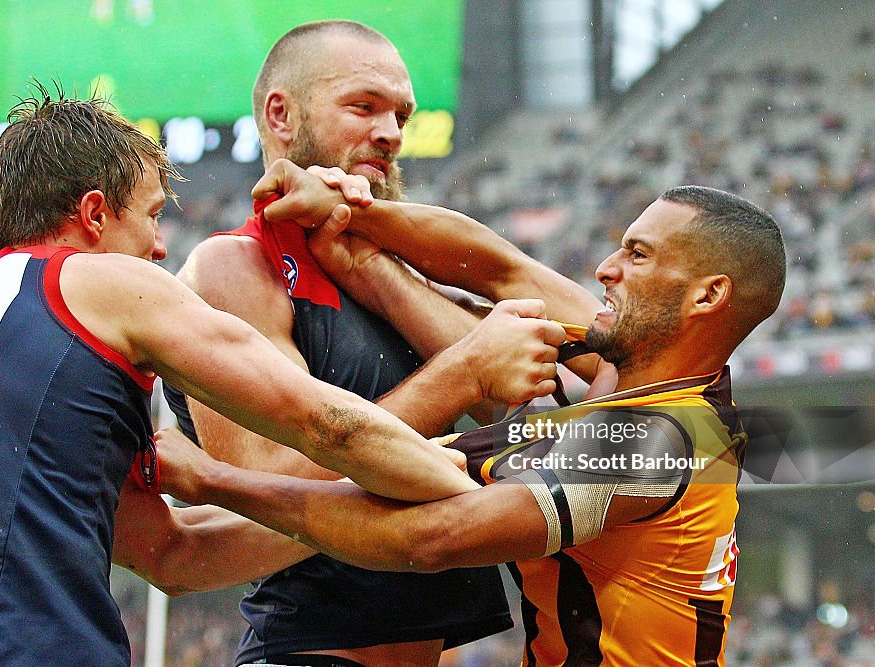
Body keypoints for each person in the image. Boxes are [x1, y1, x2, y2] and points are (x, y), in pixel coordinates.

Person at [0, 87, 564, 666]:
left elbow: (171, 554)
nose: (158, 245)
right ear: (92, 215)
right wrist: (467, 472)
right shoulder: (99, 283)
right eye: (150, 215)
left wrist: (294, 504)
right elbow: (322, 422)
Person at [156, 173, 787, 666]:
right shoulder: (637, 377)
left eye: (638, 255)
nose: (605, 270)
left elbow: (430, 539)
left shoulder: (659, 441)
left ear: (707, 295)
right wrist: (364, 233)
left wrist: (210, 482)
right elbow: (497, 268)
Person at [162, 20, 602, 667]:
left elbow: (523, 395)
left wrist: (377, 264)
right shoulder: (237, 265)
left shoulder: (380, 265)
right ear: (281, 114)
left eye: (401, 114)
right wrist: (461, 373)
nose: (392, 132)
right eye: (363, 106)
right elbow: (260, 492)